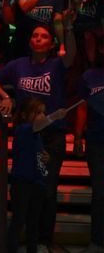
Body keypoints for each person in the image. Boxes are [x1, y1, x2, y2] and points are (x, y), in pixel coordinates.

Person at [0, 19, 77, 252]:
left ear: (51, 44)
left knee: (47, 189)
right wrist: (5, 97)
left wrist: (67, 29)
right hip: (27, 138)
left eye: (44, 37)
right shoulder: (18, 65)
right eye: (35, 35)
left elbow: (71, 56)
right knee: (23, 187)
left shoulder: (57, 65)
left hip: (51, 137)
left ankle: (43, 240)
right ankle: (22, 238)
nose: (38, 39)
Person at [7, 98, 67, 253]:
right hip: (22, 184)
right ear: (25, 115)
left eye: (43, 112)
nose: (42, 116)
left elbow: (38, 160)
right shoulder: (22, 130)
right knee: (18, 221)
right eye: (38, 112)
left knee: (34, 225)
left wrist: (45, 160)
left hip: (37, 185)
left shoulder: (38, 137)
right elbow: (37, 125)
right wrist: (54, 116)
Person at [75, 36, 104, 253]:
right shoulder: (90, 76)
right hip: (96, 141)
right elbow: (82, 108)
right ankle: (97, 241)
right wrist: (77, 137)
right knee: (100, 193)